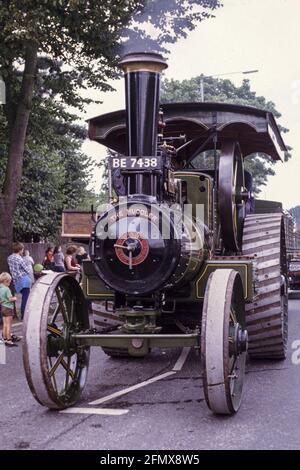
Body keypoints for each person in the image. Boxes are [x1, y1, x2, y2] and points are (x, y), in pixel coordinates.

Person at [7, 242, 31, 320]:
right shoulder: (20, 259)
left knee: (22, 297)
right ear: (20, 250)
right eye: (22, 249)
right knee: (25, 298)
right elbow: (27, 270)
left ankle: (22, 314)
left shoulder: (9, 258)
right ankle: (24, 315)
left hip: (16, 280)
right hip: (24, 280)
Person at [0, 272, 21, 346]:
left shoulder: (0, 288)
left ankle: (5, 338)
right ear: (6, 281)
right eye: (9, 282)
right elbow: (10, 299)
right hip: (8, 308)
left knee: (5, 324)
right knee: (9, 325)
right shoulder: (6, 289)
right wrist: (14, 298)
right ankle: (9, 340)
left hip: (3, 307)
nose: (9, 283)